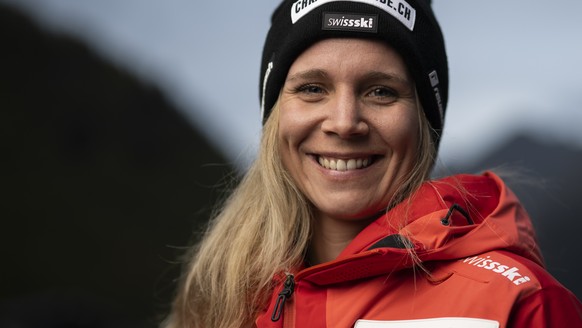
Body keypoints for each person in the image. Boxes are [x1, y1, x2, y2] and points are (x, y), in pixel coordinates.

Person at [164, 0, 582, 327]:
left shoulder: (519, 306)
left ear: (423, 121)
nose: (345, 122)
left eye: (381, 91)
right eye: (312, 88)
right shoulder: (221, 295)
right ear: (274, 116)